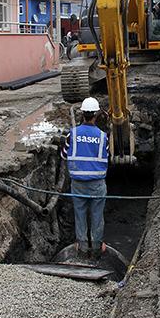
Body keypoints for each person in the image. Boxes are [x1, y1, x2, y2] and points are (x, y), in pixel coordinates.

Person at [61, 97, 109, 258]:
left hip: (78, 183)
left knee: (79, 213)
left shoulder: (72, 135)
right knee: (97, 214)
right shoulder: (102, 136)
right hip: (97, 184)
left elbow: (63, 154)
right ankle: (96, 247)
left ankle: (81, 246)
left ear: (82, 114)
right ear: (96, 115)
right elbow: (106, 156)